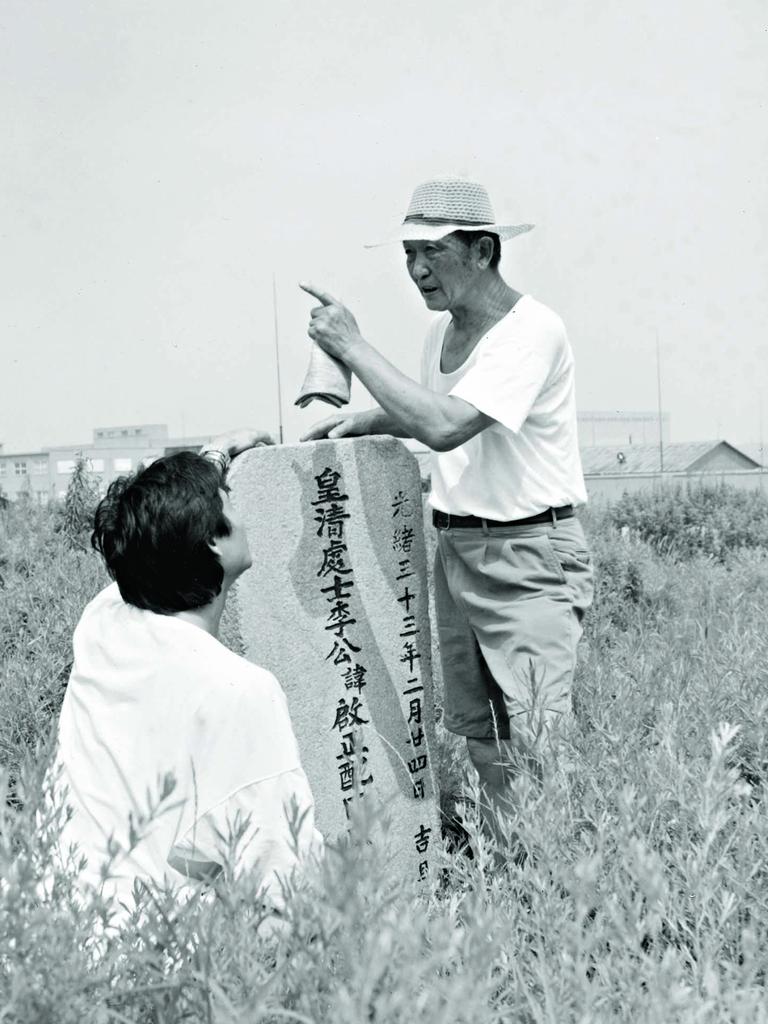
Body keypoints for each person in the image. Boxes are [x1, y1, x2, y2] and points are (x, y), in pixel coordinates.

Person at [300, 176, 594, 840]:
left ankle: (574, 891)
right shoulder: (442, 338)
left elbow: (446, 425)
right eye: (408, 254)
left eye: (432, 251)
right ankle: (518, 863)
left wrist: (353, 347)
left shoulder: (531, 331)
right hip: (458, 547)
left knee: (543, 736)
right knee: (481, 730)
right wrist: (356, 420)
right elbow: (421, 414)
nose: (417, 270)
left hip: (529, 555)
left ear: (484, 251)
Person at [51, 428, 322, 925]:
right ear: (212, 543)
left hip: (52, 925)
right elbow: (287, 878)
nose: (241, 513)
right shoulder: (240, 690)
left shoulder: (104, 620)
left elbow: (149, 540)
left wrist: (212, 459)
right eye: (228, 503)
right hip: (154, 959)